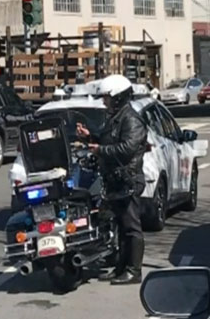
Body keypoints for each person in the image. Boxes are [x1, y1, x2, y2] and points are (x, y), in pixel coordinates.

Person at [76, 74, 148, 285]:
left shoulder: (131, 119)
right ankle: (120, 268)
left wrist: (101, 150)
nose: (104, 101)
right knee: (121, 226)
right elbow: (107, 139)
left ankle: (134, 271)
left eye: (107, 97)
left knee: (131, 227)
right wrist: (90, 137)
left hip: (128, 180)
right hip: (115, 181)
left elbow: (127, 149)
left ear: (118, 97)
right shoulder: (116, 118)